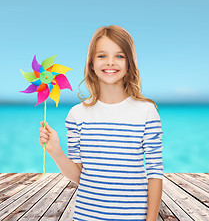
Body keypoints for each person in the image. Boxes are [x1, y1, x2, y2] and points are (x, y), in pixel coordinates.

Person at [38, 25, 164, 221]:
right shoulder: (77, 115)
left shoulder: (146, 112)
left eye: (120, 56)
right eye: (102, 56)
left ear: (130, 63)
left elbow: (155, 173)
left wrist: (151, 219)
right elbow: (79, 176)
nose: (110, 62)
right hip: (87, 216)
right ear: (91, 64)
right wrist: (55, 151)